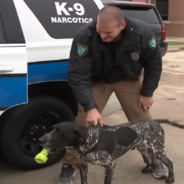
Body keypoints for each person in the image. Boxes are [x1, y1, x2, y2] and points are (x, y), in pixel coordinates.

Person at [57, 6, 168, 184]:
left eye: (108, 33)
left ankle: (155, 161)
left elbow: (154, 63)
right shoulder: (85, 36)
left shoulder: (142, 33)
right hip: (98, 80)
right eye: (99, 31)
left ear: (122, 26)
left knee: (142, 120)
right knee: (84, 120)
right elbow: (77, 74)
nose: (102, 37)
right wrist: (90, 106)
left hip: (127, 79)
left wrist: (147, 92)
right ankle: (70, 165)